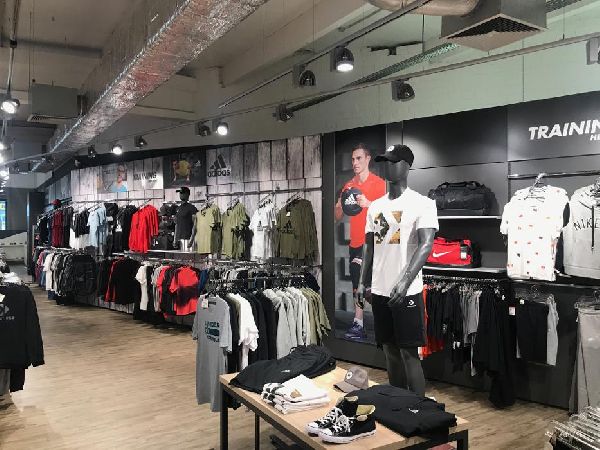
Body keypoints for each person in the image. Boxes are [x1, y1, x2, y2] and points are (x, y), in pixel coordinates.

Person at [335, 144, 386, 341]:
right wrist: (338, 207)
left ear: (368, 159)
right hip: (356, 242)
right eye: (352, 159)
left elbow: (391, 216)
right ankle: (359, 324)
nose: (354, 162)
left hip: (376, 242)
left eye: (358, 158)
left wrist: (369, 204)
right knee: (358, 285)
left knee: (374, 287)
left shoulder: (380, 184)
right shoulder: (348, 186)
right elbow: (337, 217)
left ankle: (384, 323)